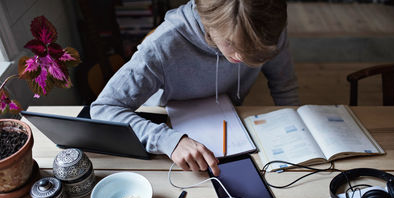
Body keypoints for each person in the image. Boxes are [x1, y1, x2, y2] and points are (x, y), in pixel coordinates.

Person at [90, 0, 299, 177]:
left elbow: (284, 85)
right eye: (231, 44)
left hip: (233, 129)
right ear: (209, 23)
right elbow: (103, 109)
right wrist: (167, 140)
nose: (242, 57)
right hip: (165, 138)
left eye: (253, 51)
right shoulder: (162, 45)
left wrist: (296, 130)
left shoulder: (267, 28)